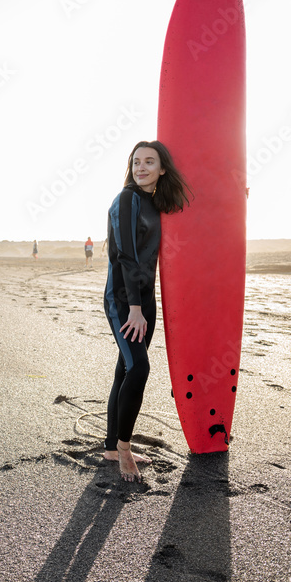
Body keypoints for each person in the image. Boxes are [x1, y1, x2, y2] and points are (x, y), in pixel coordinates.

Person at [104, 140, 192, 482]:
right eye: (136, 161)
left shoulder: (155, 203)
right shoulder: (128, 198)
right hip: (124, 300)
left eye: (149, 162)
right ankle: (124, 449)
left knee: (125, 370)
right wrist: (135, 309)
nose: (141, 167)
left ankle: (112, 445)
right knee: (138, 368)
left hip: (146, 299)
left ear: (162, 169)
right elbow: (126, 254)